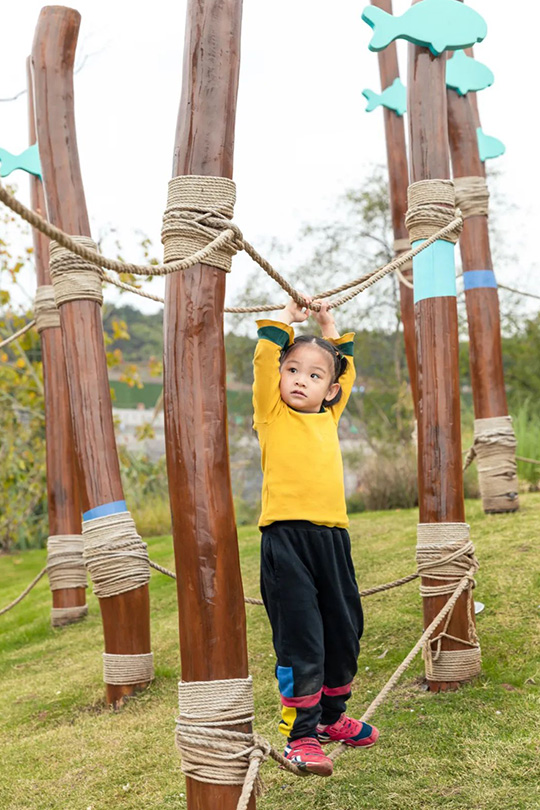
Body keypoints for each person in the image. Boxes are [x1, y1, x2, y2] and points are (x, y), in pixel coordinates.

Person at [252, 295, 379, 777]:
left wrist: (330, 328)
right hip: (286, 542)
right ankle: (300, 736)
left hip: (332, 542)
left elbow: (345, 370)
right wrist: (285, 321)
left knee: (345, 630)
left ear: (329, 390)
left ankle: (331, 718)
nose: (301, 379)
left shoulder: (329, 414)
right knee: (301, 639)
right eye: (293, 370)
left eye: (314, 374)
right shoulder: (272, 414)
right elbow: (266, 360)